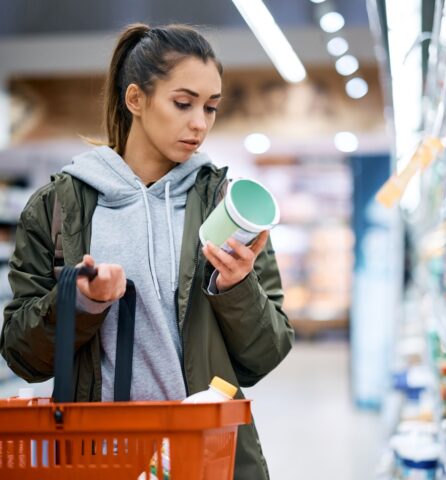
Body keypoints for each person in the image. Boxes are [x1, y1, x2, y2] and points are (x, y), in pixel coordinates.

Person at [0, 23, 294, 479]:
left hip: (205, 456)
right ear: (135, 99)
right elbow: (22, 355)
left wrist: (236, 287)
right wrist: (81, 302)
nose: (199, 122)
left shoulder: (226, 206)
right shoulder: (59, 207)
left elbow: (266, 354)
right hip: (99, 458)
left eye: (210, 107)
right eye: (183, 103)